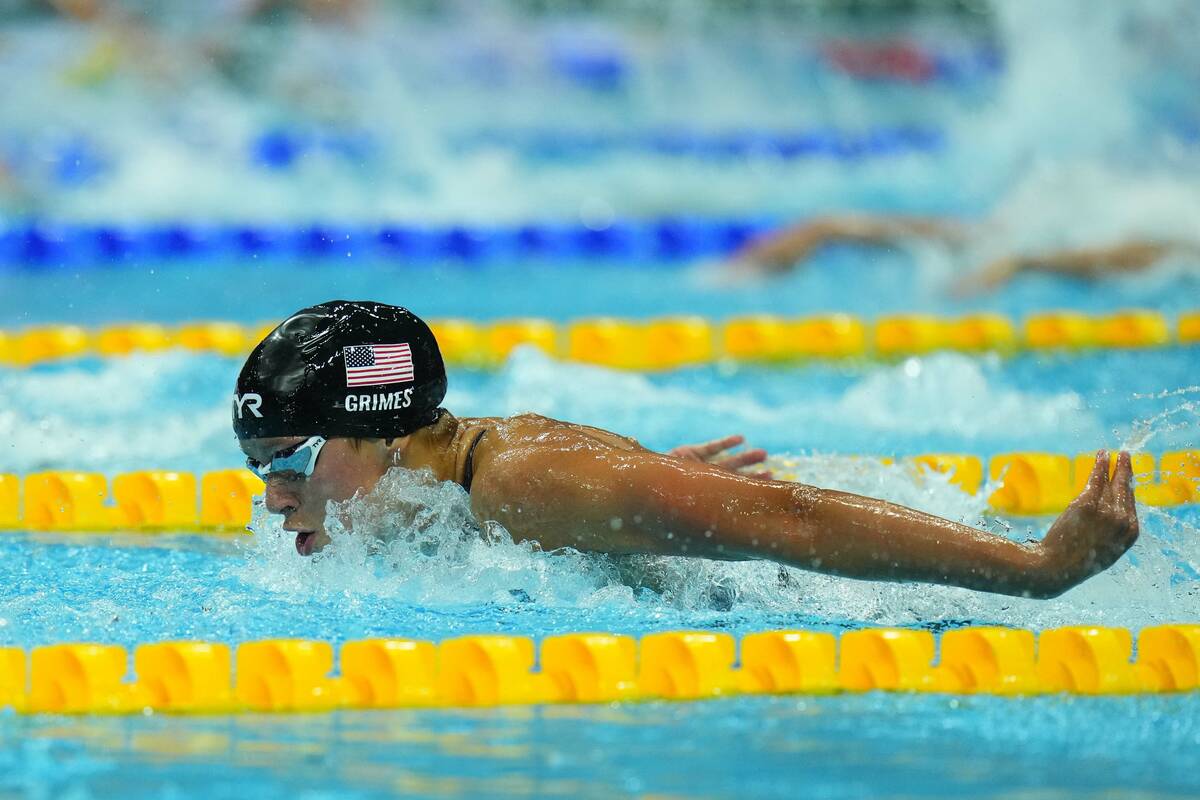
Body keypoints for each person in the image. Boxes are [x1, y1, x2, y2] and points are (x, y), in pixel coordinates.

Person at [234, 300, 1140, 599]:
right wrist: (660, 493)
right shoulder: (487, 468)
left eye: (290, 459)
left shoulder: (521, 484)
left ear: (381, 434)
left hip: (870, 598)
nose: (273, 495)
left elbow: (791, 518)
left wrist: (1036, 568)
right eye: (259, 467)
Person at [725, 212, 1200, 294]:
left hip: (1024, 254)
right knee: (827, 226)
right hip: (1020, 248)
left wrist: (1025, 262)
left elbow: (1159, 251)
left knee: (828, 227)